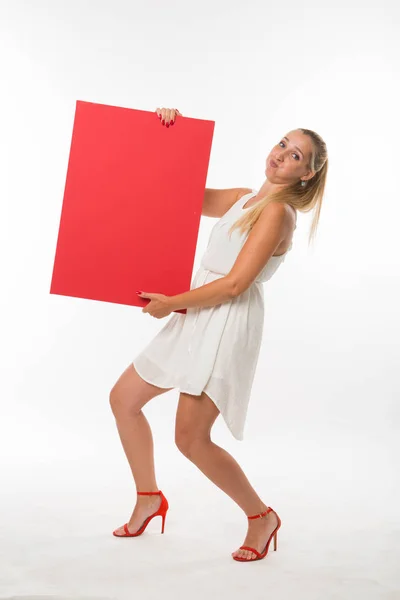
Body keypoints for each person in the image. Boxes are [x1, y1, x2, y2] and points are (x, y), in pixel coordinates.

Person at [110, 107, 329, 562]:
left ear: (306, 175)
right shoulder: (241, 198)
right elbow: (175, 191)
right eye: (282, 144)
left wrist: (172, 302)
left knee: (190, 438)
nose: (281, 155)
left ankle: (260, 517)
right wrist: (168, 131)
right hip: (195, 310)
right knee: (124, 399)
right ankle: (149, 497)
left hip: (226, 320)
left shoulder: (279, 214)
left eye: (295, 156)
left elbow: (234, 284)